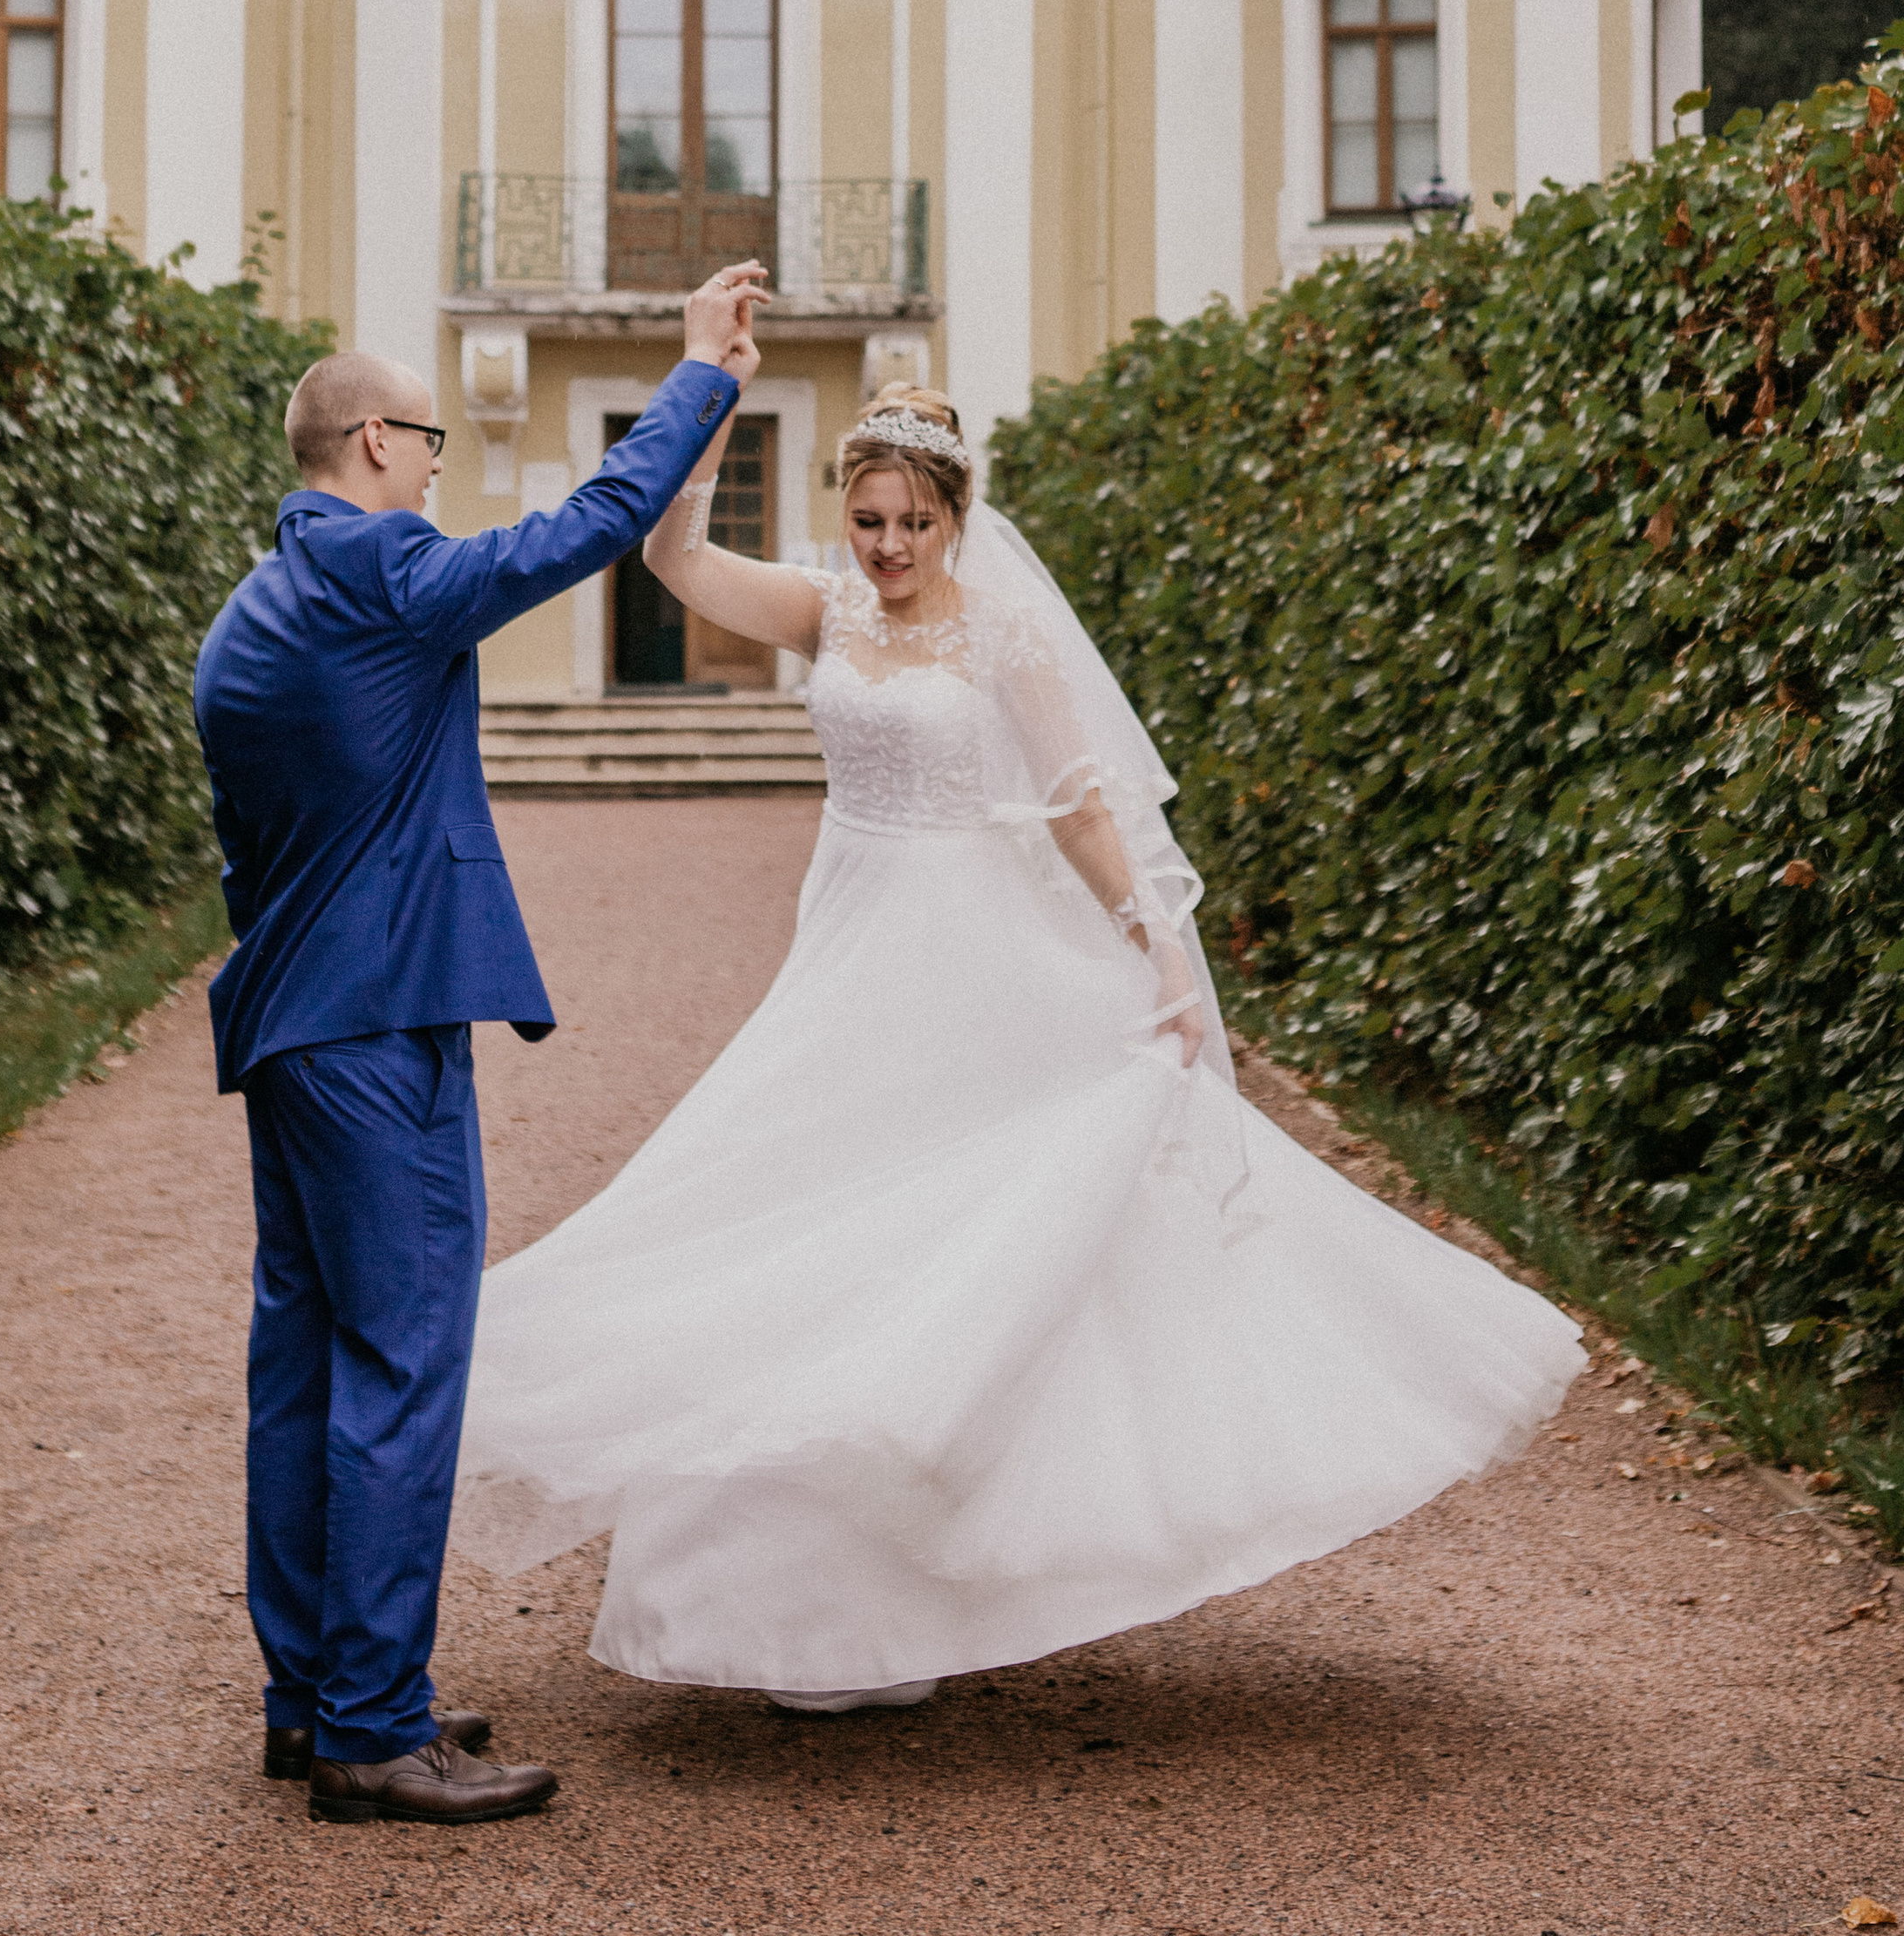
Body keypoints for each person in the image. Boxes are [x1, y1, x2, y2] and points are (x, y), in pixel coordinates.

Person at [454, 382, 1584, 1711]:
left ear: (955, 518)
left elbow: (1079, 806)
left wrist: (1158, 943)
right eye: (867, 518)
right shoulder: (827, 608)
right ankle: (805, 1614)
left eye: (912, 523)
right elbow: (674, 559)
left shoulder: (1008, 638)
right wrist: (709, 414)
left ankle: (928, 1573)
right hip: (852, 947)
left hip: (975, 960)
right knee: (810, 1227)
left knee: (969, 1243)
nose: (886, 546)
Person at [193, 261, 764, 1824]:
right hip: (380, 1030)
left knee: (303, 1364)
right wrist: (702, 374)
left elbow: (252, 855)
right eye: (431, 441)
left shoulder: (247, 616)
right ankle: (378, 1727)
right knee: (401, 1367)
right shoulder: (386, 576)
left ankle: (312, 1701)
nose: (441, 466)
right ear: (375, 441)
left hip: (291, 1025)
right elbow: (582, 530)